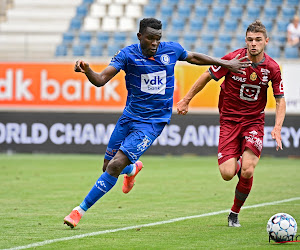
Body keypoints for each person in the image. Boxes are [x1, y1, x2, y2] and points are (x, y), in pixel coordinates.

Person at [63, 17, 251, 228]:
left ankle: (78, 211)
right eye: (151, 38)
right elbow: (100, 80)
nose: (155, 43)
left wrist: (226, 63)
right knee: (107, 166)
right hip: (129, 117)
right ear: (139, 37)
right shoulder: (127, 55)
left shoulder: (170, 50)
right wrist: (87, 69)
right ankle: (132, 170)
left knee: (115, 166)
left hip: (152, 123)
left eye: (158, 39)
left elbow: (194, 57)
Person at [177, 20, 286, 227]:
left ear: (266, 41)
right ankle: (240, 170)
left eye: (258, 40)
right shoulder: (232, 59)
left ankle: (234, 213)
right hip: (229, 120)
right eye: (250, 40)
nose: (253, 44)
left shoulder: (272, 67)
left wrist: (277, 128)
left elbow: (280, 99)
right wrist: (186, 99)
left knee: (248, 169)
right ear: (245, 40)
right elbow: (206, 76)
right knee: (227, 174)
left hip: (254, 121)